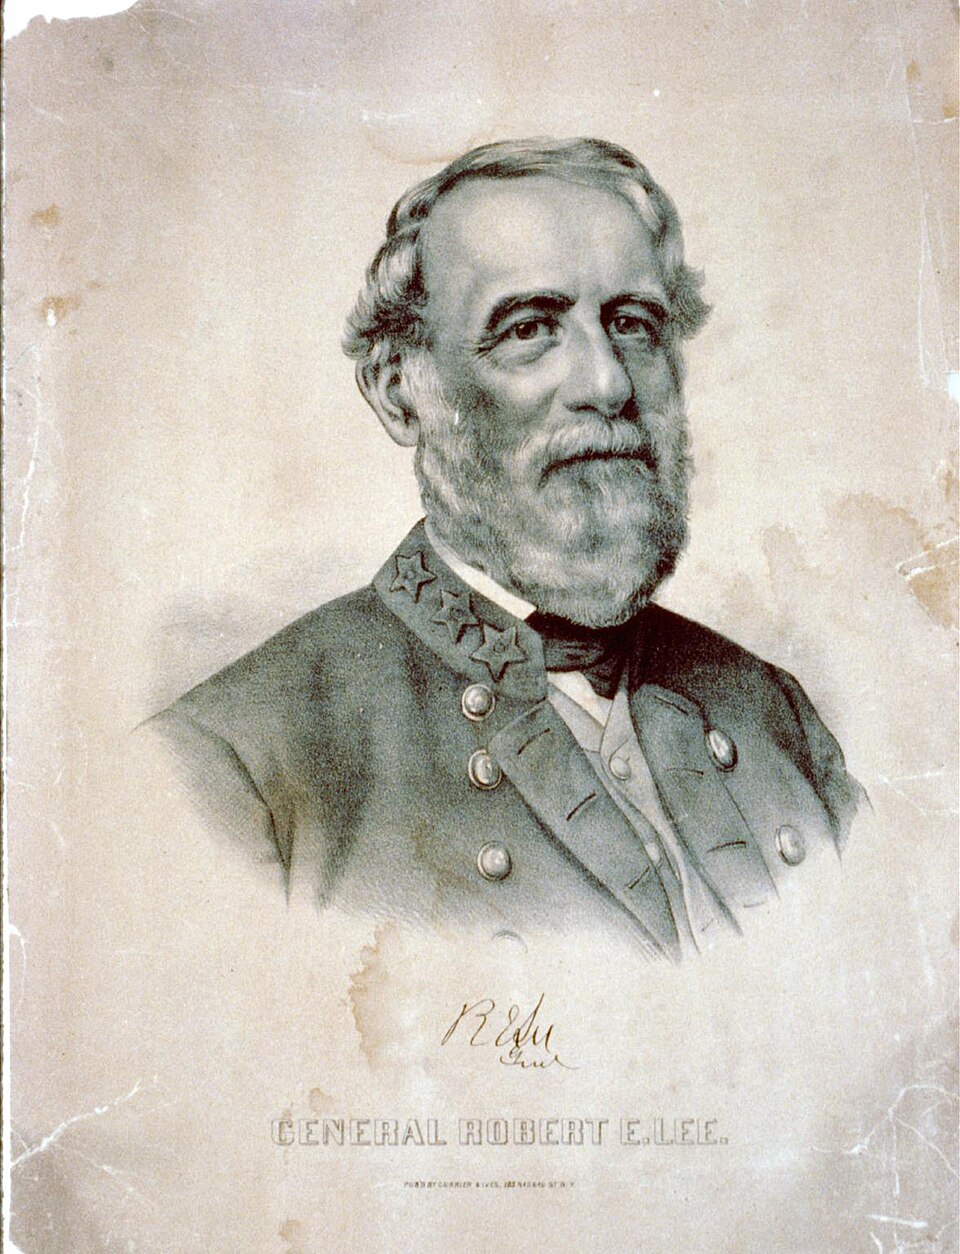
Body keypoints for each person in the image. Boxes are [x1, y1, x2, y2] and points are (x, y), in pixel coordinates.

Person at [148, 137, 861, 961]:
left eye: (633, 325)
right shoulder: (232, 760)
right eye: (529, 329)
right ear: (400, 392)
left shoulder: (771, 712)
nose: (608, 383)